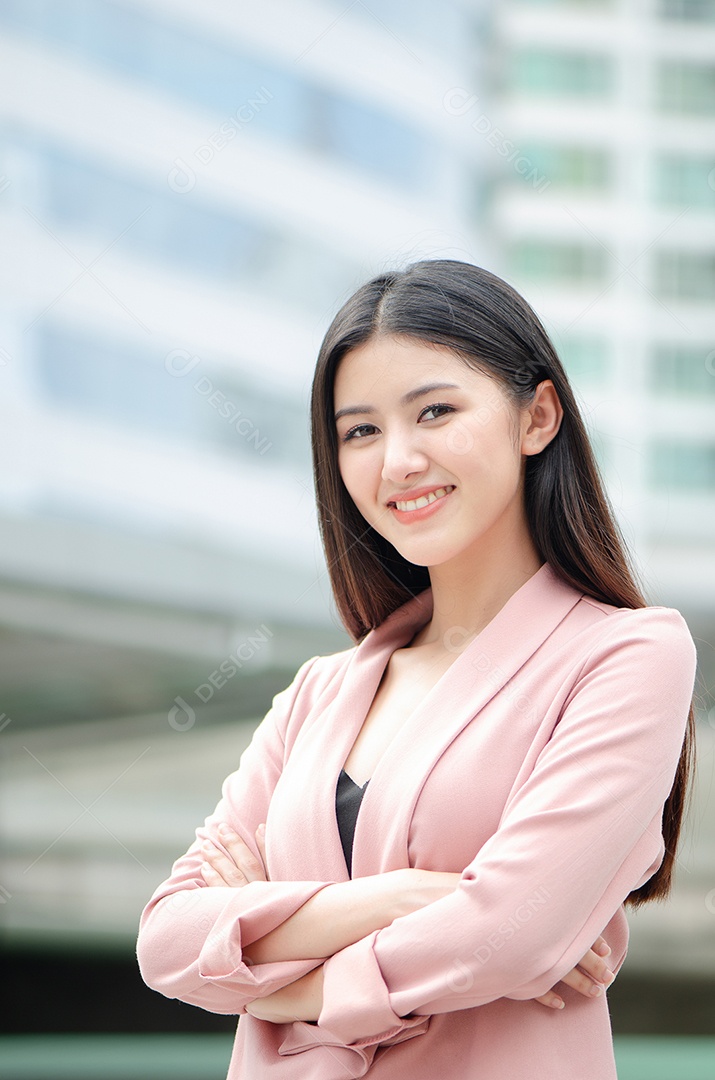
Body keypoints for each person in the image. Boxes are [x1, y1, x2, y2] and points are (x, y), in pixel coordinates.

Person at [137, 260, 697, 1079]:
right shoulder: (319, 693)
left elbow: (510, 933)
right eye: (359, 430)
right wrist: (403, 902)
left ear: (537, 416)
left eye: (434, 411)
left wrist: (278, 986)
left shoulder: (625, 656)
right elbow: (166, 938)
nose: (397, 459)